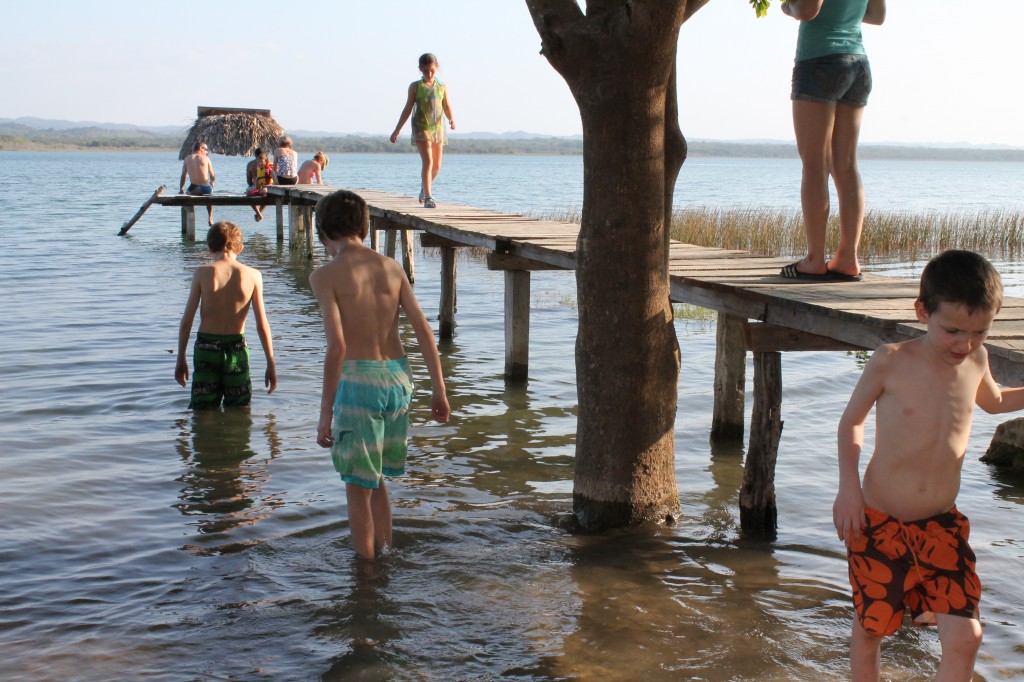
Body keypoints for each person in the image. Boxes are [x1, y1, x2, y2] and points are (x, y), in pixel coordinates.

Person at [834, 249, 1024, 679]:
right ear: (923, 312)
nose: (965, 344)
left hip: (942, 527)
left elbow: (994, 403)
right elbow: (851, 423)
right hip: (879, 523)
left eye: (979, 332)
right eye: (953, 330)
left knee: (967, 636)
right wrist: (848, 489)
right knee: (871, 629)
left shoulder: (977, 358)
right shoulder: (891, 360)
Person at [310, 189, 451, 560]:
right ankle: (386, 553)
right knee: (375, 478)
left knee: (357, 487)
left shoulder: (325, 276)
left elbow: (337, 347)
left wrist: (325, 413)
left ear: (323, 231)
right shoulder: (391, 267)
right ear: (366, 226)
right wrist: (439, 388)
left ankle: (366, 577)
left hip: (359, 383)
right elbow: (422, 330)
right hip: (398, 381)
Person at [778, 0, 885, 282]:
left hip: (819, 62)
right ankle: (848, 259)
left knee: (815, 165)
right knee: (846, 165)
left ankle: (814, 260)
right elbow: (877, 15)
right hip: (857, 64)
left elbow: (806, 10)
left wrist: (787, 6)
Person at [176, 221, 277, 409]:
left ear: (209, 247)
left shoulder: (202, 273)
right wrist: (270, 363)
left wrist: (180, 357)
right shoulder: (254, 275)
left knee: (203, 409)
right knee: (239, 408)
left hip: (207, 348)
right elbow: (262, 325)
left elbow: (186, 323)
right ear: (240, 248)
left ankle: (204, 437)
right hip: (237, 348)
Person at [389, 53, 456, 209]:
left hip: (438, 127)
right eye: (426, 71)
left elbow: (446, 106)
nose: (429, 74)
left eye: (432, 70)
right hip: (421, 126)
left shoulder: (442, 87)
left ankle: (424, 188)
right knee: (428, 161)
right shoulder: (415, 86)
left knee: (437, 166)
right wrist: (396, 130)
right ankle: (429, 197)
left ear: (436, 68)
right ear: (420, 69)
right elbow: (407, 109)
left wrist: (452, 119)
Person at [179, 140, 216, 226]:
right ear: (200, 148)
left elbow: (183, 176)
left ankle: (191, 214)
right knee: (209, 197)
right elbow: (212, 175)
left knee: (188, 194)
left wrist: (181, 189)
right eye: (206, 149)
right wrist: (212, 182)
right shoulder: (206, 159)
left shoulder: (187, 159)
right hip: (206, 188)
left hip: (193, 189)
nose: (207, 152)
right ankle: (210, 217)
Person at [245, 148, 274, 222]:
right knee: (267, 194)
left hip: (256, 187)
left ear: (255, 155)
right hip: (266, 188)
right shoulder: (271, 164)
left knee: (251, 193)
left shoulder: (250, 164)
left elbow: (249, 182)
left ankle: (258, 213)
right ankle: (260, 212)